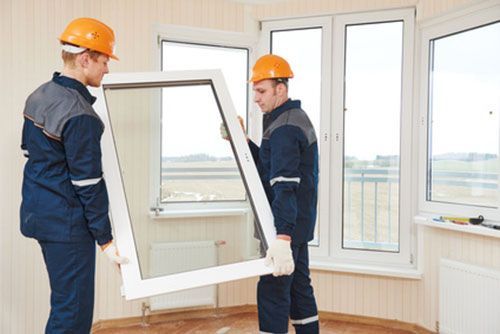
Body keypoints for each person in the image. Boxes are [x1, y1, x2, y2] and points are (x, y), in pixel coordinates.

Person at [20, 17, 127, 333]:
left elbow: (31, 150)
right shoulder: (81, 114)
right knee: (73, 314)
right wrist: (106, 240)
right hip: (67, 224)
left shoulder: (40, 95)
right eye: (104, 60)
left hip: (40, 215)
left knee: (64, 304)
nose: (107, 69)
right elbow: (88, 183)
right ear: (85, 58)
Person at [248, 54, 319, 334]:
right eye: (254, 90)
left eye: (262, 90)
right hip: (298, 225)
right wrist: (243, 143)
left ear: (281, 88)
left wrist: (282, 238)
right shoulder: (289, 119)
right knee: (300, 290)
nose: (256, 98)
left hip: (286, 228)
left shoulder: (285, 128)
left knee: (273, 294)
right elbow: (270, 168)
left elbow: (285, 186)